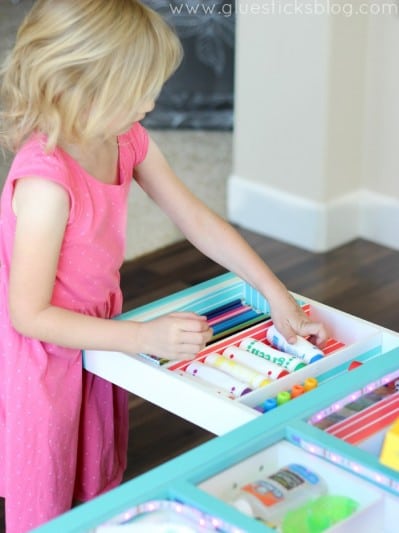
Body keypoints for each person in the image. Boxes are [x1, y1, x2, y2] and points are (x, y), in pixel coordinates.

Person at [0, 1, 327, 531]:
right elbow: (29, 316)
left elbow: (197, 219)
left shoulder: (124, 137)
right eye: (139, 91)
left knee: (96, 483)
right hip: (45, 359)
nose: (153, 102)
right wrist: (140, 337)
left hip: (101, 335)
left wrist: (278, 296)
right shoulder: (46, 183)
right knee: (46, 501)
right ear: (85, 85)